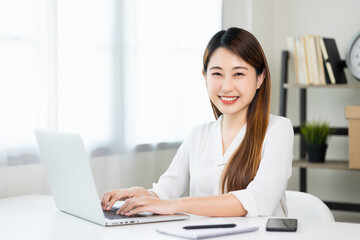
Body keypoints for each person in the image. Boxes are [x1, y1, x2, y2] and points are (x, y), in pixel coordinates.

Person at [101, 27, 294, 217]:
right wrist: (141, 194)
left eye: (239, 74)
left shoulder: (278, 130)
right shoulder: (198, 134)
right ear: (205, 77)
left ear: (260, 78)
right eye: (217, 74)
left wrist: (174, 204)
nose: (226, 87)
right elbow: (165, 192)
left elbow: (257, 201)